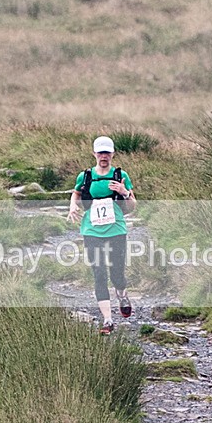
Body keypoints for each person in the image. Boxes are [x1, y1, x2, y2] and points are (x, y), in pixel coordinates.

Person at [67, 136, 136, 335]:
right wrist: (73, 205)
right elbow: (77, 193)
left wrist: (124, 192)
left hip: (116, 229)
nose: (103, 156)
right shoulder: (86, 175)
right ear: (94, 154)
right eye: (100, 152)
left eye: (107, 152)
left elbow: (132, 207)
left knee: (116, 273)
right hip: (91, 230)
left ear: (113, 154)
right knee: (99, 273)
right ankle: (107, 320)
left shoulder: (120, 174)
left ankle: (122, 295)